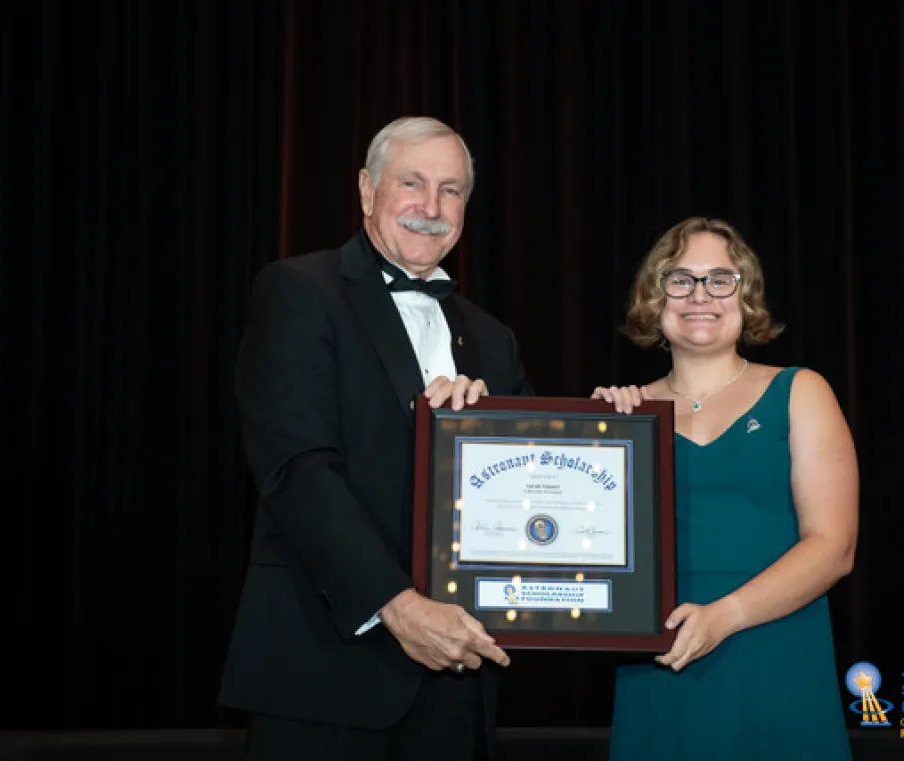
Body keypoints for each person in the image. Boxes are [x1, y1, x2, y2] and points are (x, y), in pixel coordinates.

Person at [218, 116, 533, 761]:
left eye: (450, 190)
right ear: (367, 191)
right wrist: (396, 605)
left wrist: (607, 420)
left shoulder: (493, 339)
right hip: (327, 665)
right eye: (411, 183)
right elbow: (297, 471)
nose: (431, 206)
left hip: (457, 679)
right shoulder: (299, 291)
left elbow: (533, 485)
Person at [592, 217, 858, 760]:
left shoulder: (800, 391)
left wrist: (724, 616)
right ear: (654, 297)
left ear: (746, 296)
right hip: (660, 663)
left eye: (720, 279)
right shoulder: (622, 414)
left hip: (776, 654)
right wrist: (589, 439)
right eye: (680, 279)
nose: (700, 295)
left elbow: (834, 549)